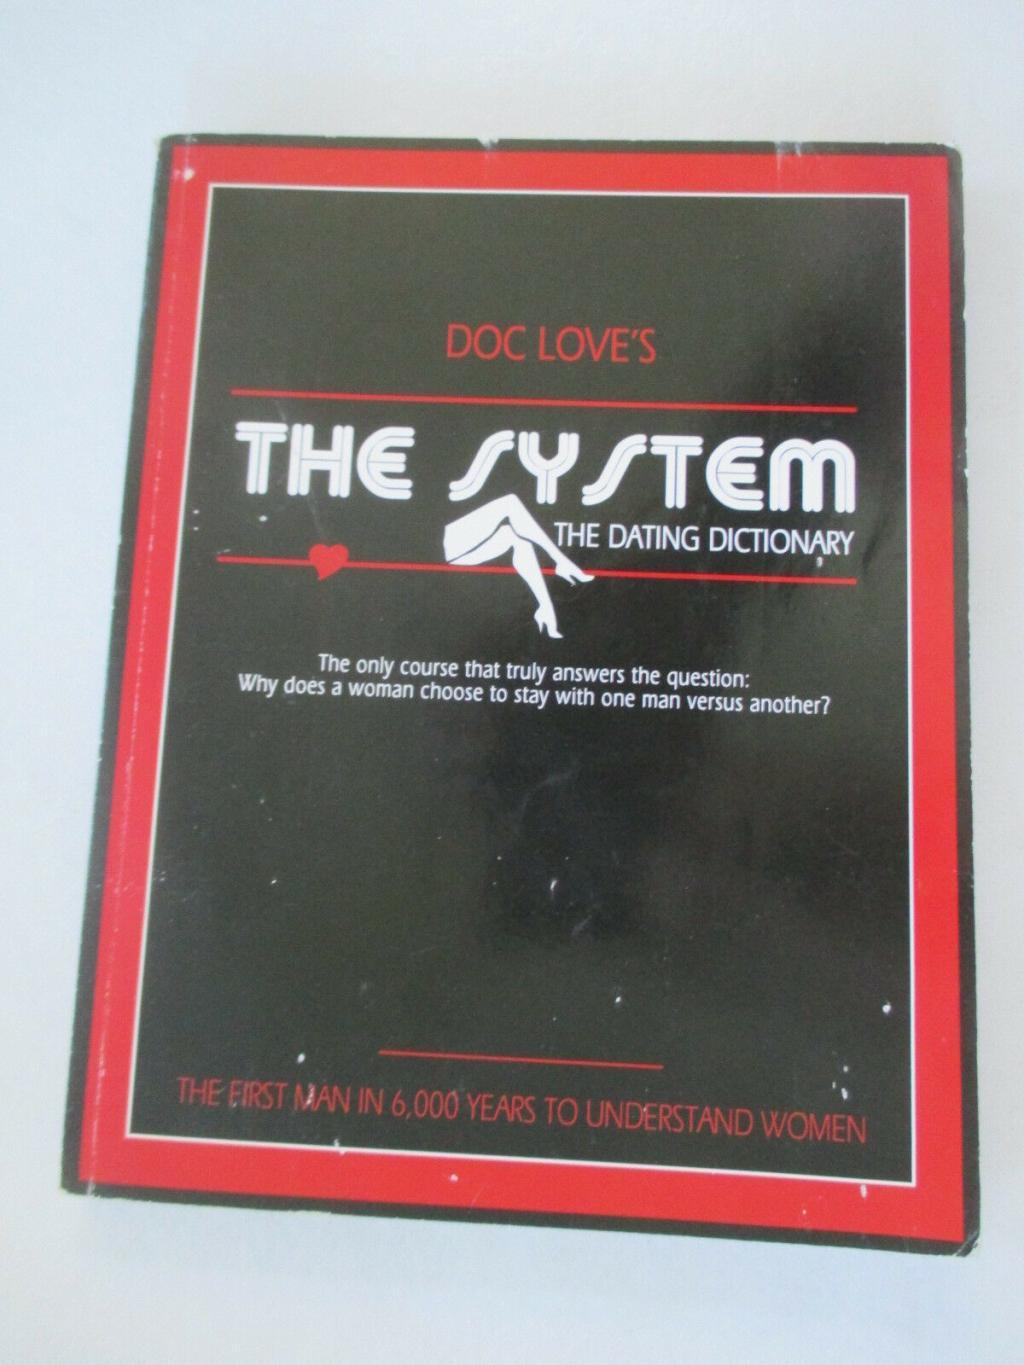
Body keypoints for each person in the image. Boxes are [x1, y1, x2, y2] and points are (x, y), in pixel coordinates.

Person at [443, 494, 593, 638]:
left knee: (517, 538)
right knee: (510, 503)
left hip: (451, 544)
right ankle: (562, 561)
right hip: (443, 541)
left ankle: (546, 608)